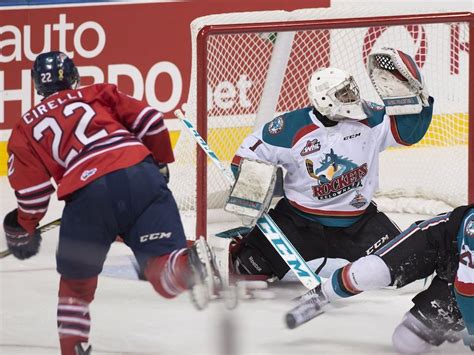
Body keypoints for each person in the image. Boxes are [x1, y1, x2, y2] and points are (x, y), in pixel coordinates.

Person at [3, 51, 219, 355]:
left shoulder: (24, 128)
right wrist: (158, 161)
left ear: (38, 86)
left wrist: (23, 227)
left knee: (76, 287)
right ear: (74, 76)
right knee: (161, 272)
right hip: (140, 175)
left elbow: (34, 194)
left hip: (88, 196)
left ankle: (73, 349)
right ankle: (186, 264)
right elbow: (151, 120)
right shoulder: (97, 92)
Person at [228, 48, 433, 281]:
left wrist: (417, 100)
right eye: (344, 94)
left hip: (359, 222)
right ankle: (245, 245)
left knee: (407, 269)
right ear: (324, 99)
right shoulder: (290, 128)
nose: (353, 97)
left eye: (351, 90)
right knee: (251, 268)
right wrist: (255, 191)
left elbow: (408, 134)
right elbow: (245, 157)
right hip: (300, 222)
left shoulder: (371, 117)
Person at [287, 204, 474, 354]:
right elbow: (466, 289)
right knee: (373, 270)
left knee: (407, 342)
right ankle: (321, 295)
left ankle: (452, 333)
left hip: (462, 279)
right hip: (440, 242)